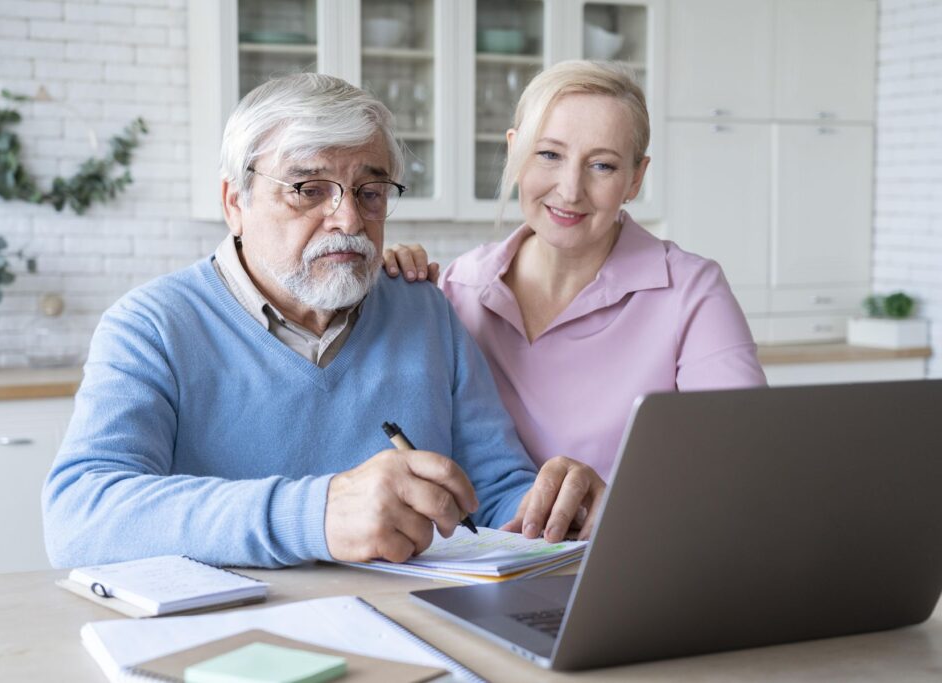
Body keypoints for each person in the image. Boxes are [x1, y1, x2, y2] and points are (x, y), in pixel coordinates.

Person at [42, 73, 605, 570]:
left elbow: (495, 490)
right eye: (309, 190)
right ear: (235, 201)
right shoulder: (152, 326)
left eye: (371, 191)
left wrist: (554, 514)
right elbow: (80, 516)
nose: (349, 218)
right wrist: (317, 514)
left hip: (416, 630)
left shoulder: (424, 310)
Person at [384, 60, 766, 492]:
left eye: (601, 165)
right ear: (514, 151)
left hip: (629, 551)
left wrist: (620, 501)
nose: (570, 189)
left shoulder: (691, 293)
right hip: (488, 555)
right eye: (549, 154)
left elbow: (741, 465)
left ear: (636, 178)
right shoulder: (460, 285)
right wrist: (383, 290)